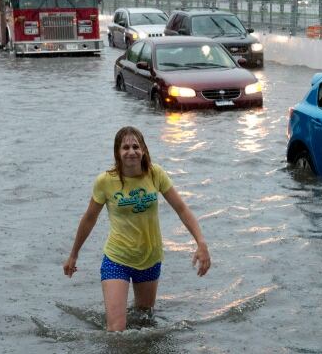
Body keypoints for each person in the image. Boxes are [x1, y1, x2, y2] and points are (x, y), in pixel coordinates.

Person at [63, 126, 211, 332]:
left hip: (150, 258)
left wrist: (201, 243)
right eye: (125, 147)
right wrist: (73, 255)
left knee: (143, 321)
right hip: (117, 258)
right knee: (116, 330)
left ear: (143, 150)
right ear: (117, 153)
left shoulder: (155, 174)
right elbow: (89, 219)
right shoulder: (105, 181)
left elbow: (182, 208)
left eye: (135, 146)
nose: (131, 151)